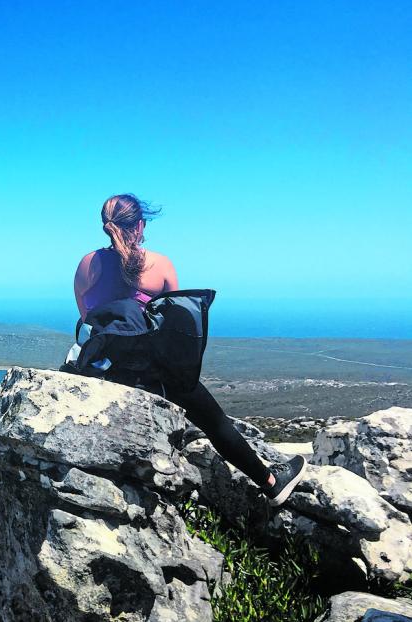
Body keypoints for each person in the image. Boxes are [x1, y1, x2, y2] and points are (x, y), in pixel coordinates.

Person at [73, 193, 307, 506]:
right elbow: (174, 325)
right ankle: (270, 482)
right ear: (140, 225)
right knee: (215, 421)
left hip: (102, 371)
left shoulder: (87, 265)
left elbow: (86, 318)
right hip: (152, 375)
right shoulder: (160, 264)